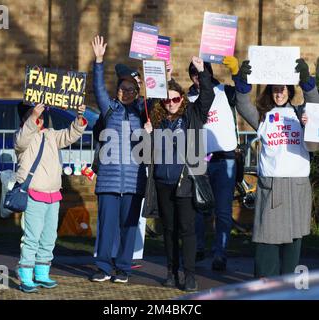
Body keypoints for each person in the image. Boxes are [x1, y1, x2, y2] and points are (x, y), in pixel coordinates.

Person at [234, 57, 319, 278]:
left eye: (283, 90)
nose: (279, 93)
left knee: (294, 242)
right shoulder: (263, 117)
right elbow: (242, 104)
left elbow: (315, 103)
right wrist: (242, 84)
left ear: (290, 91)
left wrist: (308, 83)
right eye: (274, 90)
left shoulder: (302, 113)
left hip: (298, 185)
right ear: (270, 92)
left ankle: (288, 287)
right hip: (271, 186)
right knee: (266, 241)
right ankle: (264, 287)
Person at [143, 56, 215, 291]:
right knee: (170, 230)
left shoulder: (193, 115)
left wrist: (203, 72)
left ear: (182, 99)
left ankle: (190, 275)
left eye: (175, 99)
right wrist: (163, 76)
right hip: (163, 181)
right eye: (167, 100)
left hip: (185, 181)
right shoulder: (157, 118)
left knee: (187, 229)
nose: (171, 103)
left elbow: (208, 96)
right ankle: (172, 272)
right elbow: (152, 97)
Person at [90, 35, 147, 284]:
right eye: (123, 88)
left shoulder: (143, 111)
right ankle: (103, 267)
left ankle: (123, 269)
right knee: (106, 227)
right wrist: (99, 61)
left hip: (134, 181)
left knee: (129, 227)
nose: (126, 92)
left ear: (137, 92)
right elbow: (98, 88)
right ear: (118, 90)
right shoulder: (109, 108)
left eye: (131, 89)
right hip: (109, 182)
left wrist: (163, 74)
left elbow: (160, 99)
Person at [15, 102, 87, 293]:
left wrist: (78, 118)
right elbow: (21, 142)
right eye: (33, 114)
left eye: (40, 113)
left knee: (48, 237)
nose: (39, 117)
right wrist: (33, 117)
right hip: (33, 193)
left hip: (53, 194)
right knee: (32, 238)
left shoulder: (50, 134)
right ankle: (25, 276)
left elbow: (70, 135)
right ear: (25, 118)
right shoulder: (22, 135)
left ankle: (41, 273)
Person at [188, 57, 240, 271]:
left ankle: (220, 253)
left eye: (201, 73)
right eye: (194, 75)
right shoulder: (189, 97)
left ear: (208, 72)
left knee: (223, 211)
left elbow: (244, 91)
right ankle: (199, 247)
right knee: (199, 208)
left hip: (225, 158)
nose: (198, 78)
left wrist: (236, 71)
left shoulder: (225, 91)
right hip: (201, 160)